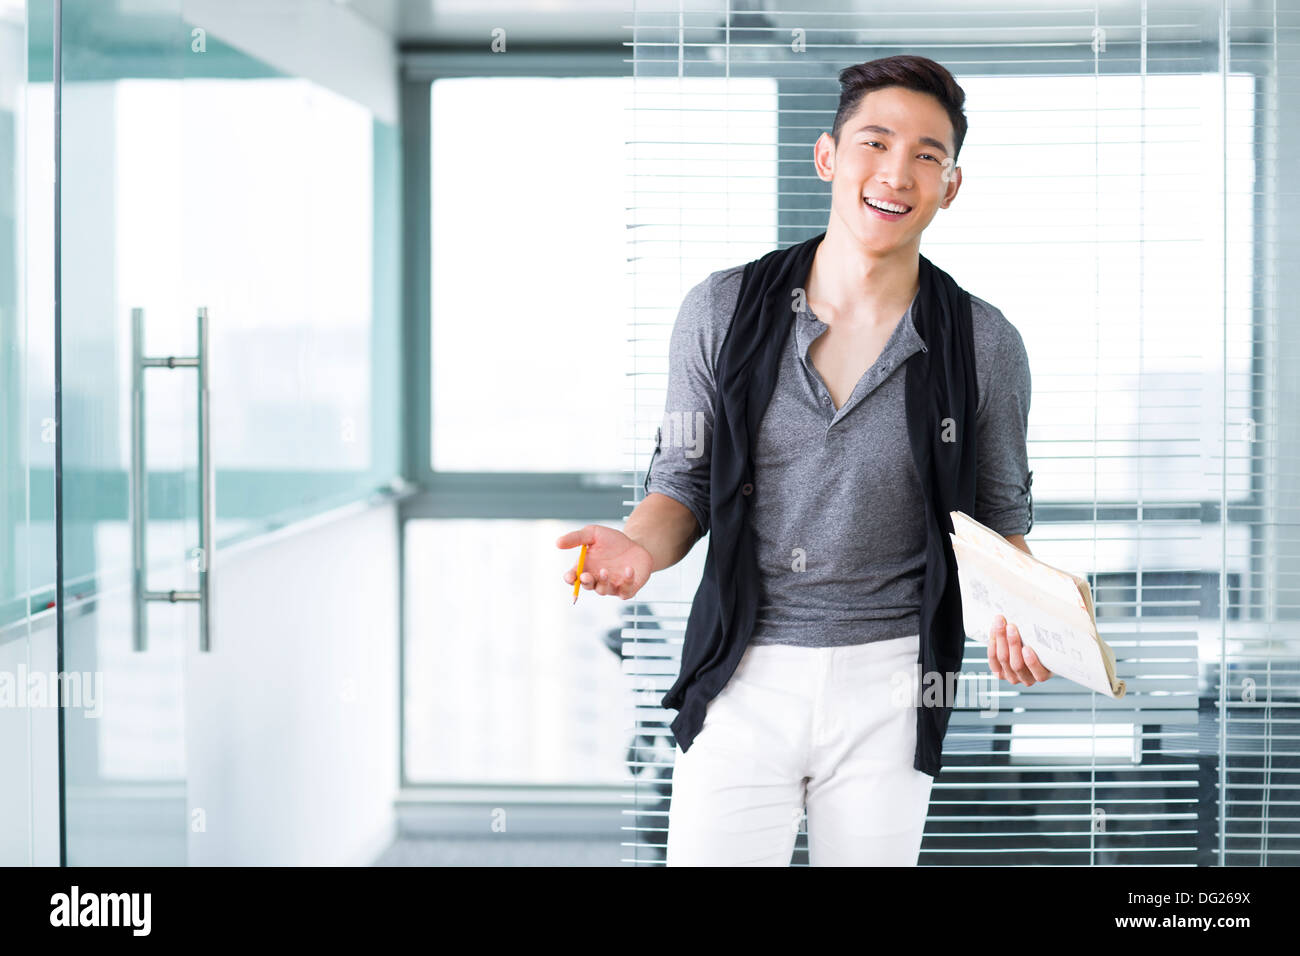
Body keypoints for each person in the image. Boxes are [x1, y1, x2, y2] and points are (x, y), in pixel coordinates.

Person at [556, 55, 1053, 866]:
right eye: (875, 142)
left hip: (895, 682)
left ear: (950, 186)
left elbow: (996, 522)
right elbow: (682, 481)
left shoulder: (984, 343)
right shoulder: (722, 309)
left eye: (928, 155)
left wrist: (1029, 614)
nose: (897, 172)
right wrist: (638, 545)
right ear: (828, 157)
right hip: (742, 674)